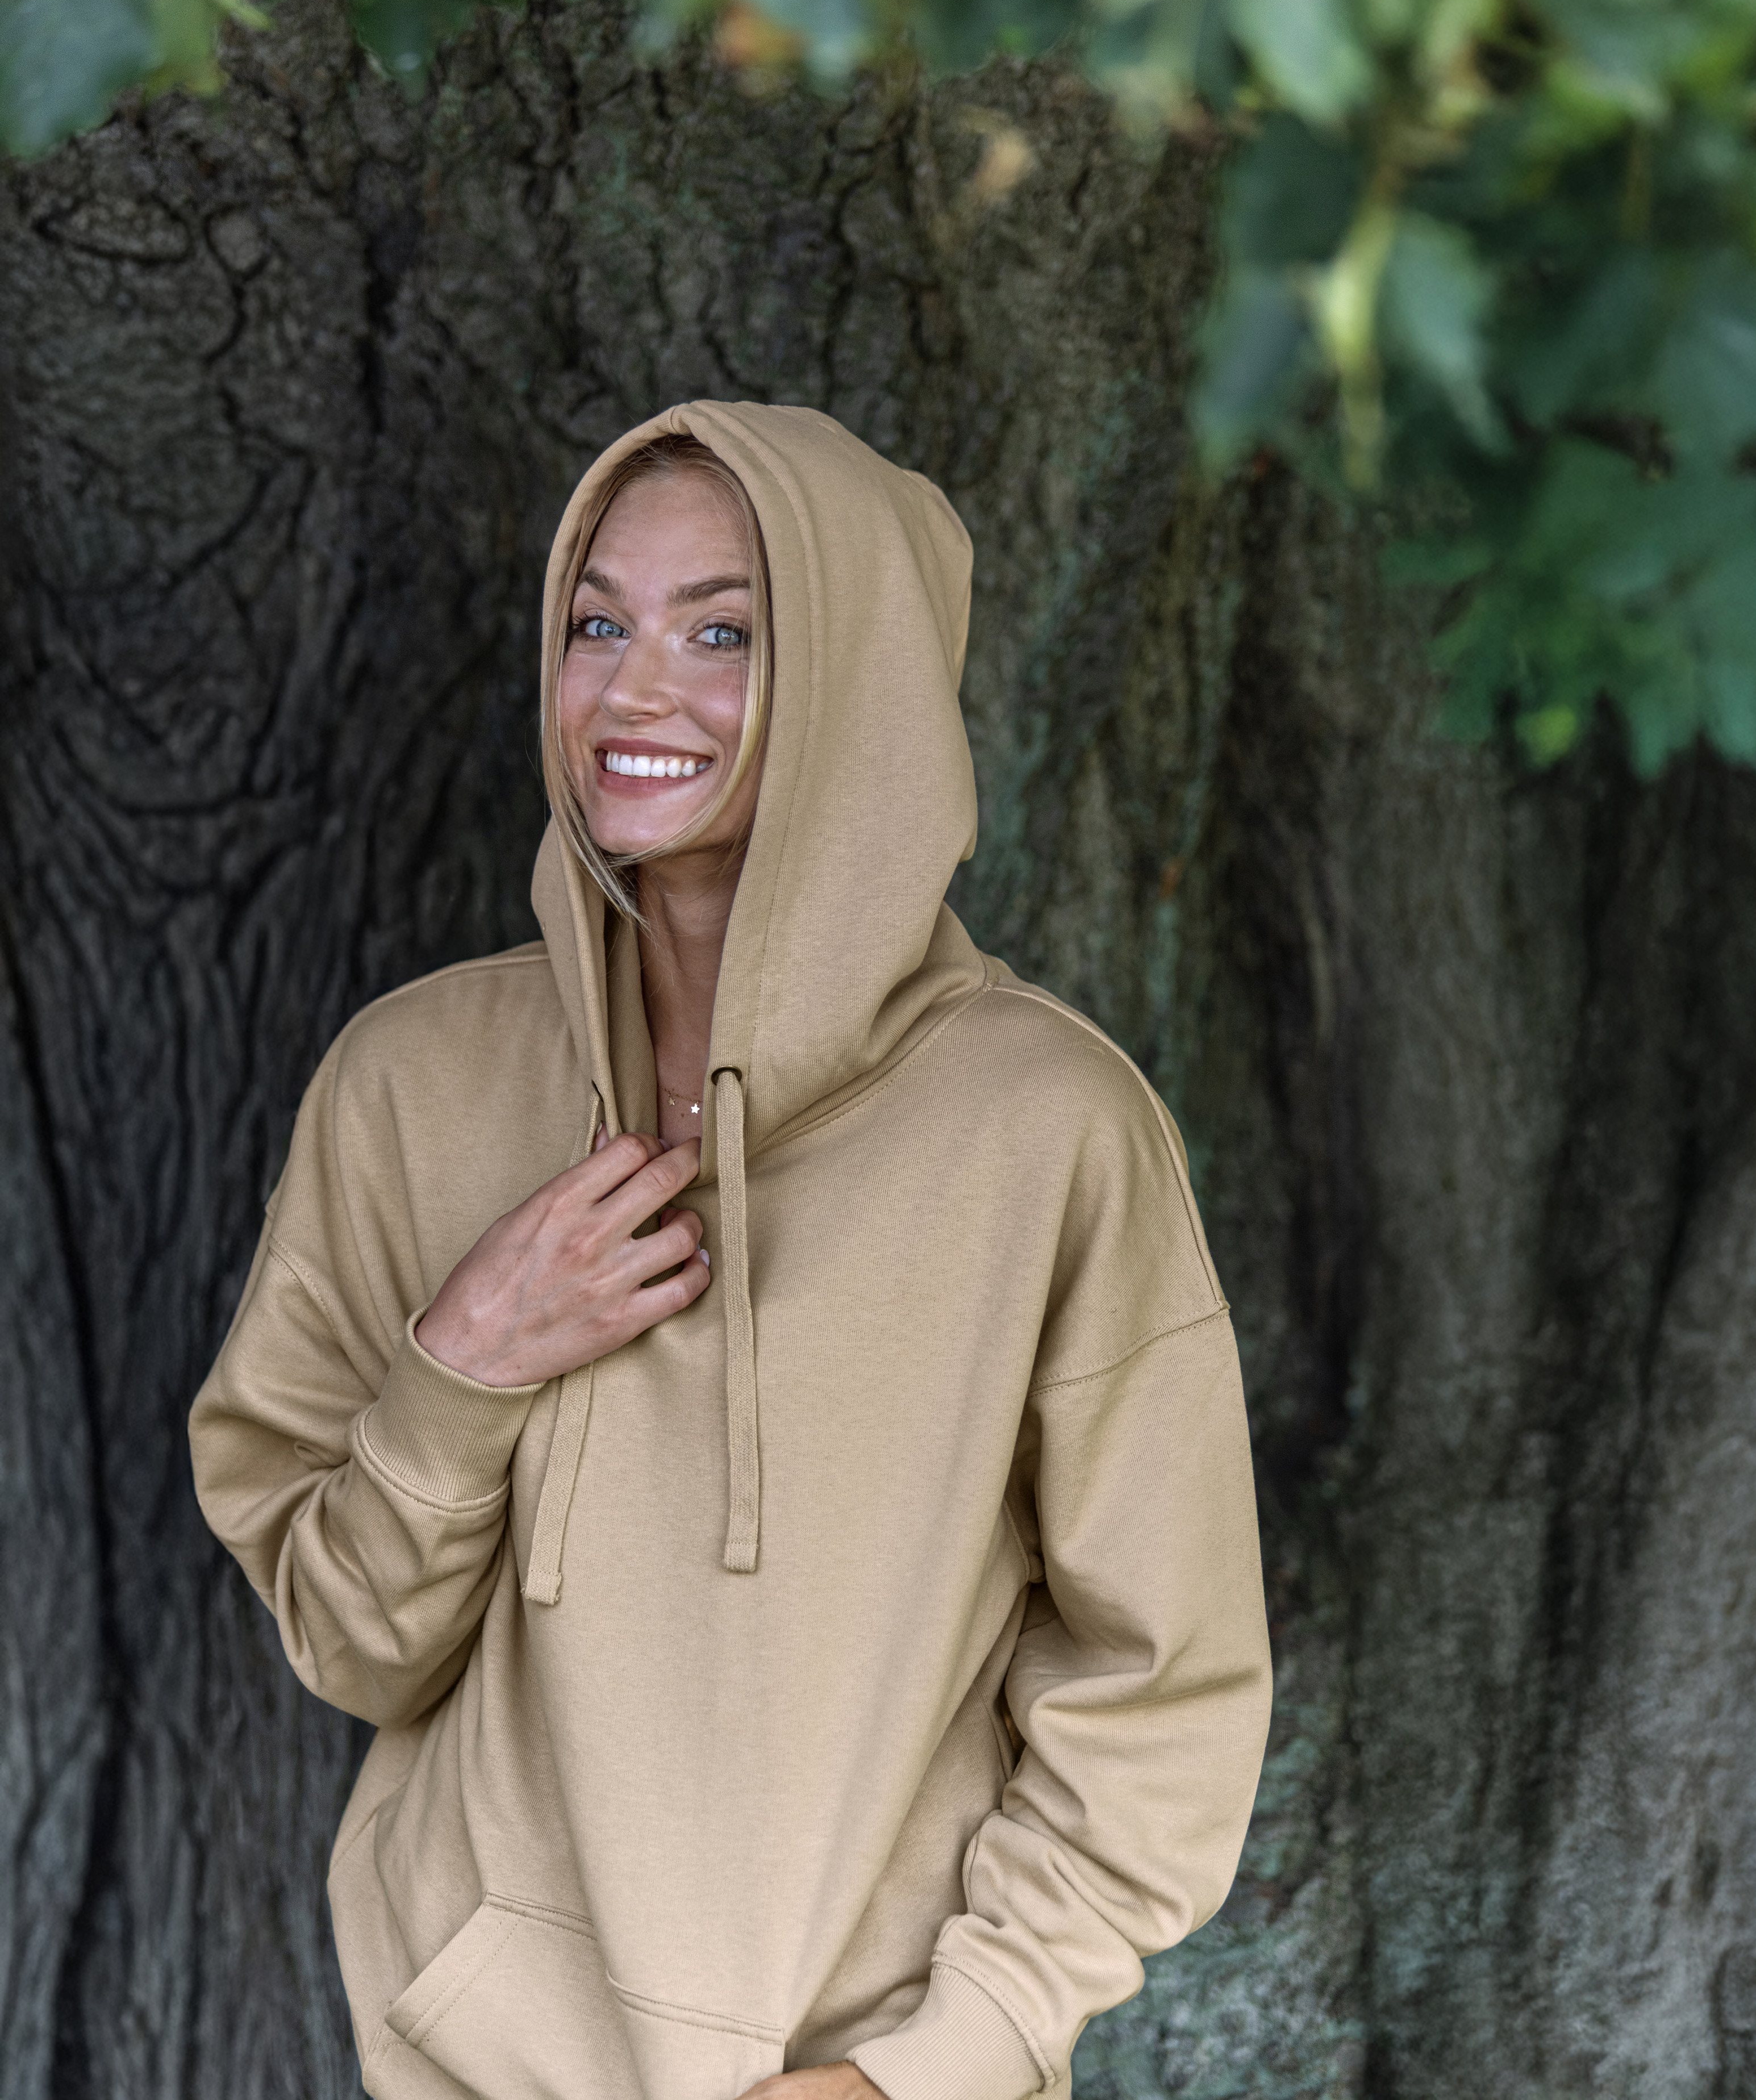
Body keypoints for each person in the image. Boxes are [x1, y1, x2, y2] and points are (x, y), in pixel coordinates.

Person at [187, 402, 1272, 2100]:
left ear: (857, 674)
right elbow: (353, 1646)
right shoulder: (408, 1086)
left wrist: (937, 2064)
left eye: (723, 634)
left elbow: (1162, 1689)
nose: (636, 690)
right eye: (596, 623)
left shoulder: (1048, 1128)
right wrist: (462, 1367)